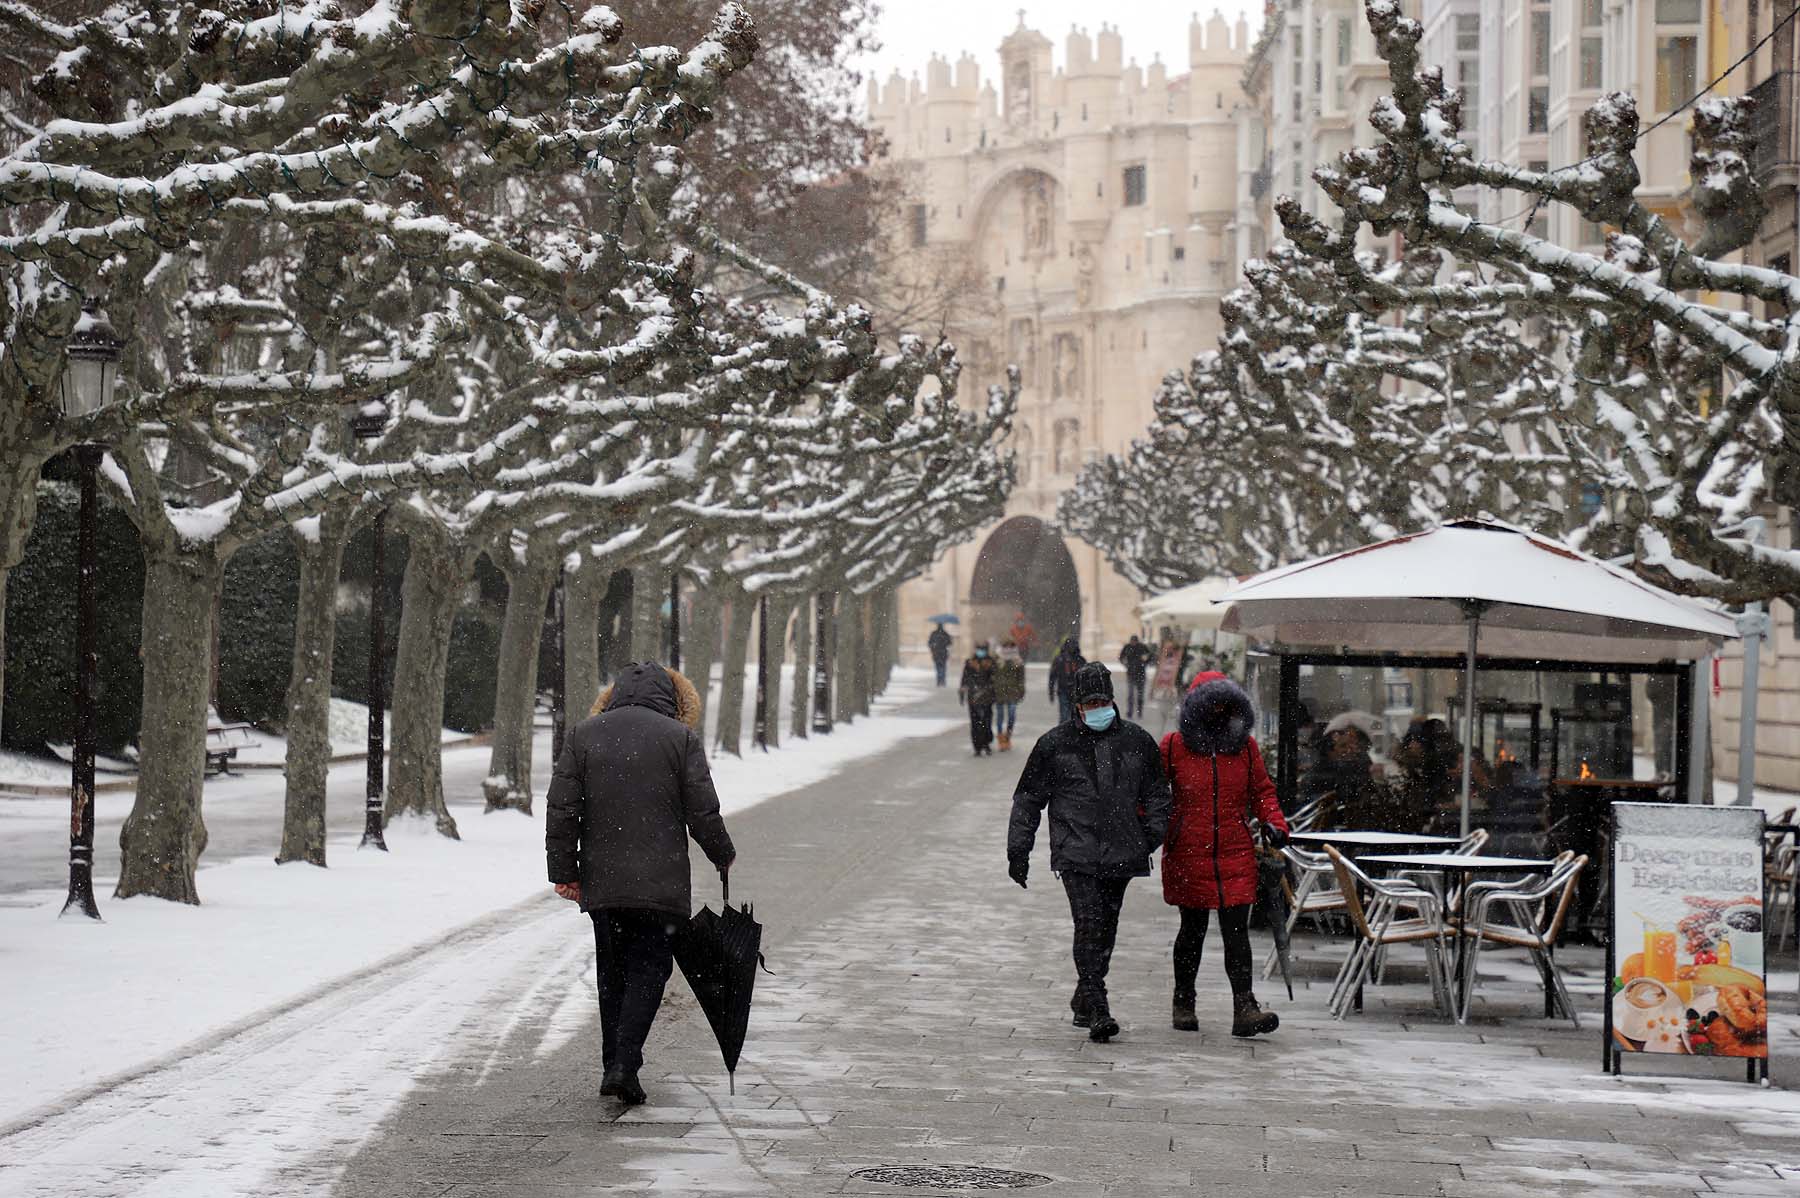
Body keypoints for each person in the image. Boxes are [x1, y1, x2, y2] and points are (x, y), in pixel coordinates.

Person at [545, 661, 735, 1107]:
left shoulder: (583, 735)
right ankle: (624, 1064)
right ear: (675, 702)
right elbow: (701, 810)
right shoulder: (680, 738)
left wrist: (564, 871)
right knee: (650, 967)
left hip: (604, 882)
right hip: (661, 883)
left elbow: (561, 807)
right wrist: (721, 852)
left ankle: (616, 1062)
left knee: (612, 971)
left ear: (612, 696)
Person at [1008, 663, 1171, 1042]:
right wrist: (1019, 850)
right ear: (1077, 706)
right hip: (1076, 853)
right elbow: (1029, 800)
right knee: (1089, 923)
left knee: (1106, 929)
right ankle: (1098, 1006)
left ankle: (1084, 996)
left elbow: (1158, 795)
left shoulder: (1136, 741)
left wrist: (1149, 837)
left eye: (1102, 700)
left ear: (1112, 700)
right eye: (1089, 702)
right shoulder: (1054, 745)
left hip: (1123, 852)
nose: (1096, 707)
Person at [1159, 671, 1289, 1037]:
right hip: (1189, 852)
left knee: (1237, 933)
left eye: (1225, 704)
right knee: (1192, 929)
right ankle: (1183, 1001)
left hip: (1234, 850)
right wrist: (1151, 831)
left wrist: (1275, 822)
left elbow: (1262, 791)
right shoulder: (1173, 746)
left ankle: (1244, 1006)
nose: (1218, 710)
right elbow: (1152, 794)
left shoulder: (1245, 747)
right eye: (1211, 703)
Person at [958, 641, 998, 756]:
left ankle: (986, 743)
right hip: (973, 697)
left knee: (986, 721)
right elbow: (964, 679)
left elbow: (995, 679)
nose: (980, 652)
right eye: (979, 649)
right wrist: (962, 693)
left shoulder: (991, 662)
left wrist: (993, 692)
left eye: (982, 649)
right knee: (975, 723)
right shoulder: (970, 663)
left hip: (987, 697)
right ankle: (977, 746)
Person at [993, 639, 1026, 751]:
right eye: (1005, 647)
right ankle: (1001, 738)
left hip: (1013, 692)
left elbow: (1021, 679)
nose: (1008, 649)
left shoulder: (1017, 661)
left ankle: (1008, 735)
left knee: (1011, 715)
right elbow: (992, 676)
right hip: (999, 692)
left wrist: (1021, 691)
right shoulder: (997, 660)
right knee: (1000, 716)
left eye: (1010, 647)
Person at [1047, 636, 1086, 725]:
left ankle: (1069, 733)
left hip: (1075, 692)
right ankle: (1064, 734)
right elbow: (1052, 677)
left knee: (1074, 715)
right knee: (1065, 715)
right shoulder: (1060, 659)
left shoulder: (1080, 660)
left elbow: (1085, 677)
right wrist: (1051, 691)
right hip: (1064, 690)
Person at [1119, 634, 1153, 720]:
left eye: (1134, 641)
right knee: (1131, 695)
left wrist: (1145, 664)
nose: (1133, 643)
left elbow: (1150, 656)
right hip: (1131, 673)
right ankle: (1130, 712)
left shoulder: (1142, 647)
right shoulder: (1127, 647)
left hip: (1140, 673)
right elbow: (1121, 657)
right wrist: (1125, 664)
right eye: (1132, 641)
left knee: (1140, 695)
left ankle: (1139, 711)